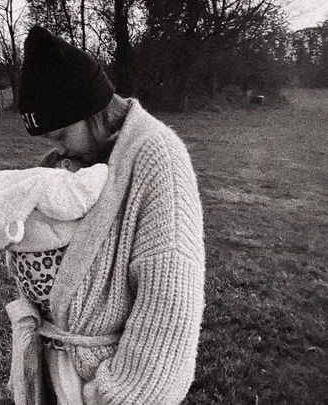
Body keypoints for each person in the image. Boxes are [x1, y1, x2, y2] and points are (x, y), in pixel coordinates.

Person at [11, 25, 205, 405]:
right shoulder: (70, 168)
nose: (60, 149)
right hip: (56, 374)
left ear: (89, 110)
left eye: (61, 133)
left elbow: (169, 302)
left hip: (106, 387)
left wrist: (109, 394)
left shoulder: (157, 157)